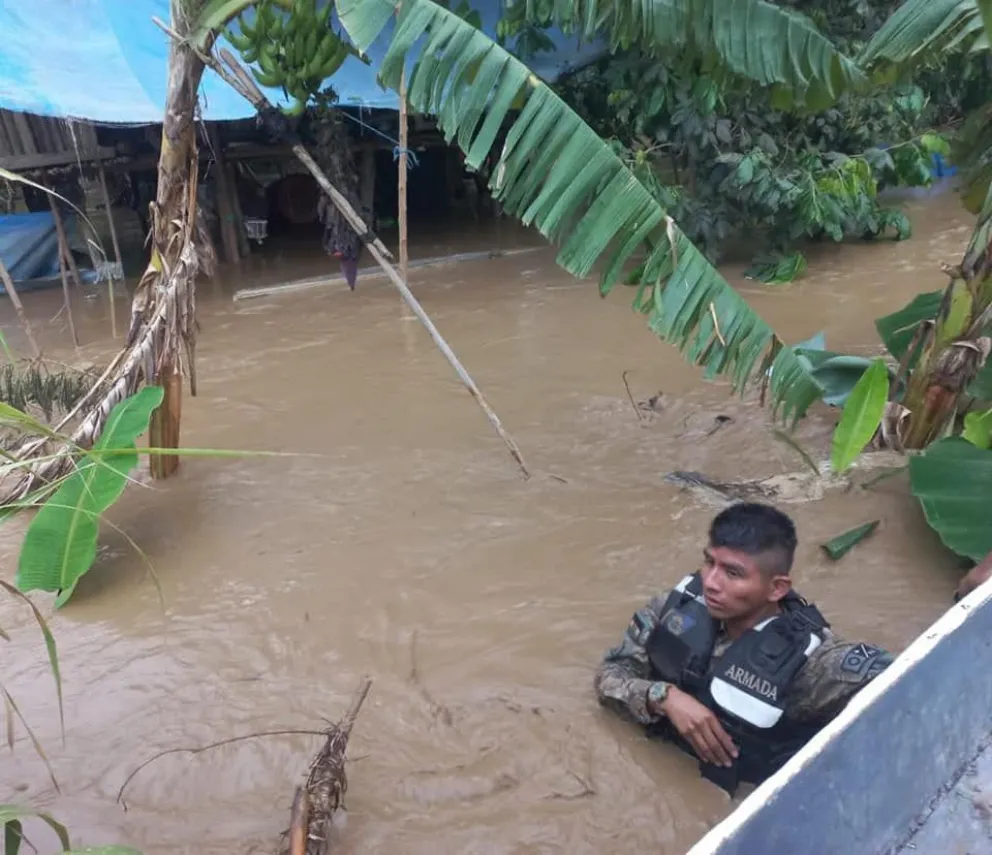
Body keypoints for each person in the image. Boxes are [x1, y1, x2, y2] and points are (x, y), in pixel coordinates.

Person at [594, 502, 893, 795]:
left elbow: (907, 680)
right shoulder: (678, 605)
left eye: (732, 573)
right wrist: (664, 697)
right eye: (710, 562)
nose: (711, 582)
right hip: (660, 775)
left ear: (777, 588)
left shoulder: (813, 661)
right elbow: (611, 675)